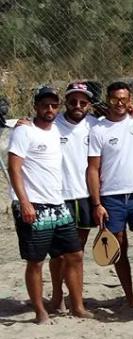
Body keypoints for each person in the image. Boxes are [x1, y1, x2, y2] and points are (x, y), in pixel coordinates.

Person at [8, 87, 90, 323]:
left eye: (54, 105)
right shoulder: (24, 131)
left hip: (58, 204)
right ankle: (40, 311)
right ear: (36, 106)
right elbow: (14, 168)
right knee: (36, 261)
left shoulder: (57, 129)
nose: (50, 109)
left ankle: (77, 306)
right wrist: (25, 203)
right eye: (45, 105)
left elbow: (84, 118)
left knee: (74, 254)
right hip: (34, 205)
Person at [87, 82, 133, 311]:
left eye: (124, 99)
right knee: (119, 248)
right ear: (107, 99)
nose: (119, 103)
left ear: (130, 100)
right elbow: (93, 169)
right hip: (111, 198)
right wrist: (97, 203)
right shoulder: (99, 129)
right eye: (115, 99)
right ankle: (130, 298)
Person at [47, 81, 99, 313]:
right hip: (58, 197)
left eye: (83, 102)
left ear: (89, 104)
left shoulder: (95, 125)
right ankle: (57, 297)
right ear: (65, 102)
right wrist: (23, 121)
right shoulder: (52, 125)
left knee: (77, 251)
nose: (78, 105)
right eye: (73, 101)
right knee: (58, 254)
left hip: (85, 196)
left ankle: (76, 300)